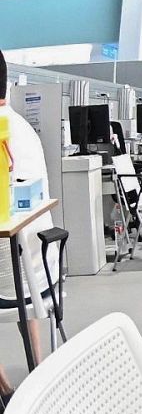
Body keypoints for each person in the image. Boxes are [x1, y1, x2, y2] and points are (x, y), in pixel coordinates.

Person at [0, 48, 55, 394]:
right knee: (19, 272)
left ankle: (3, 392)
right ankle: (37, 369)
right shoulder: (24, 129)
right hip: (42, 277)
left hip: (6, 284)